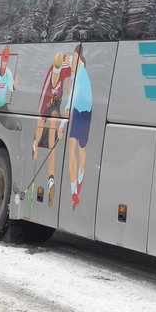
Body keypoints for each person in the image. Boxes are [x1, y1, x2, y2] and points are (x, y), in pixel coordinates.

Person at [32, 51, 72, 207]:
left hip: (52, 106)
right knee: (45, 132)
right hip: (48, 104)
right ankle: (36, 146)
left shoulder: (61, 68)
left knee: (47, 138)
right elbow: (43, 92)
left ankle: (49, 177)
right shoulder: (57, 71)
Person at [65, 43, 93, 210]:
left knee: (78, 150)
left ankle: (76, 186)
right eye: (72, 60)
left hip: (81, 111)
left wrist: (67, 107)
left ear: (80, 59)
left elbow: (74, 93)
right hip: (84, 111)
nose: (73, 63)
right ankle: (75, 187)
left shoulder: (80, 71)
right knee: (76, 149)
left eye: (75, 60)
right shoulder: (79, 70)